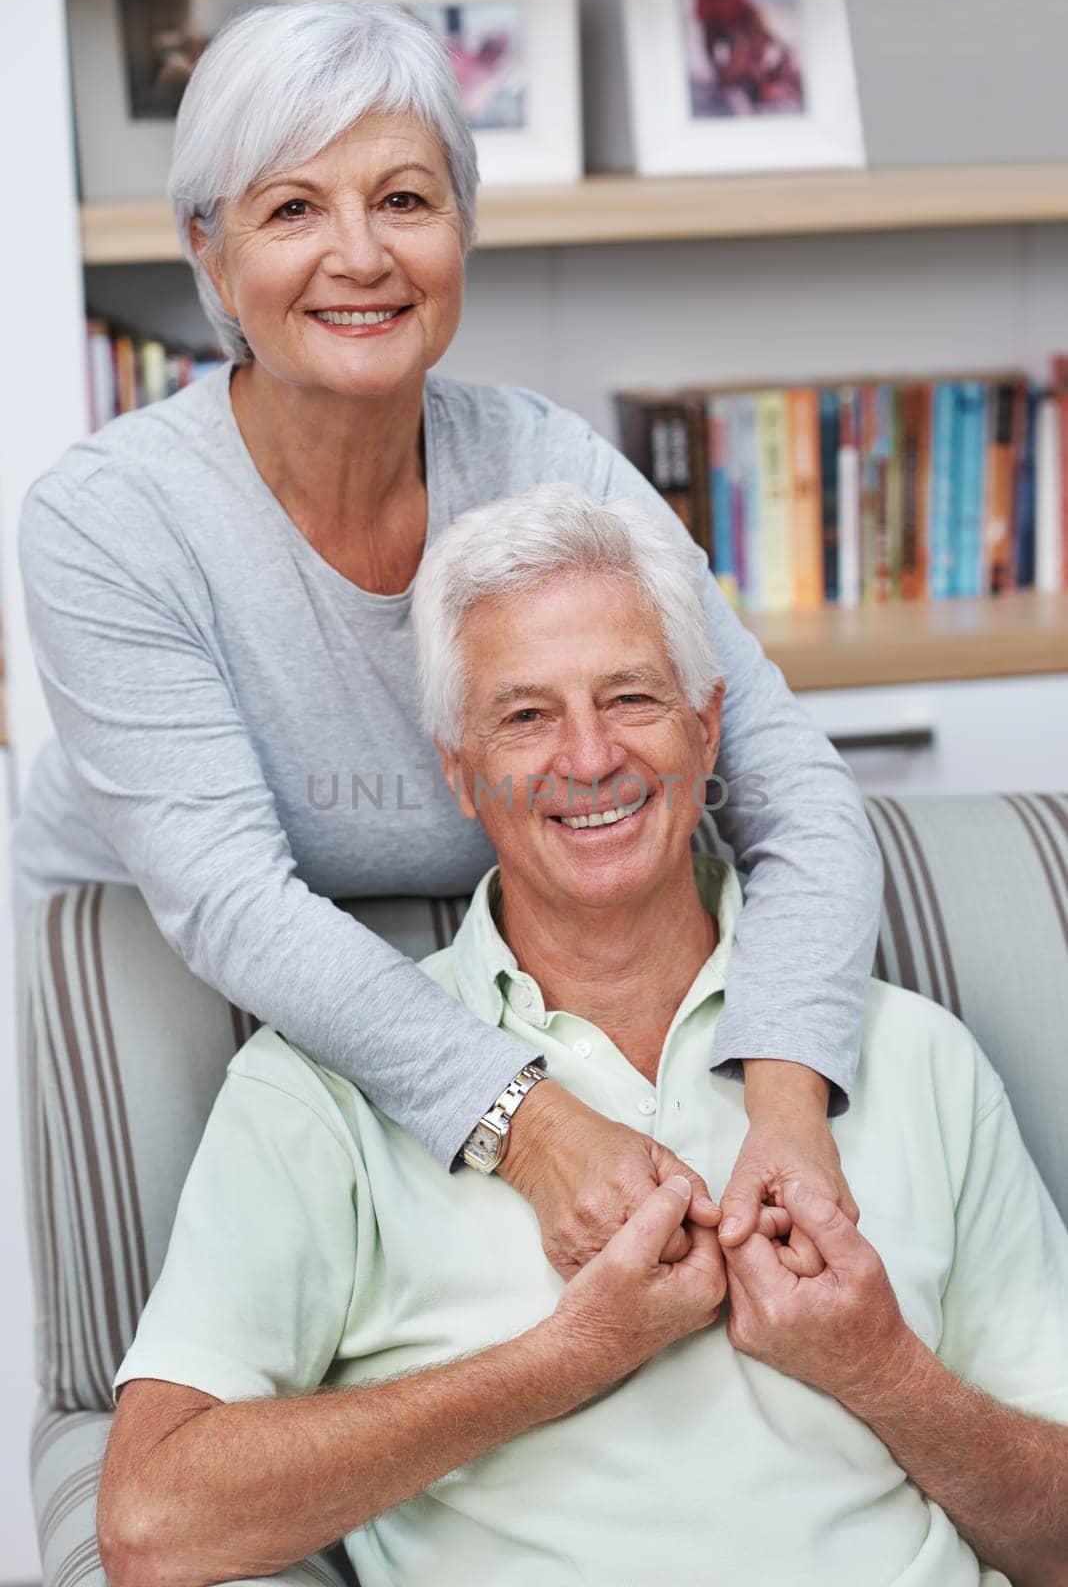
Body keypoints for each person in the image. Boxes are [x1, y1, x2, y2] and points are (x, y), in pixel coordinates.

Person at [13, 1, 881, 1273]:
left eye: (407, 201)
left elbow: (793, 785)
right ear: (209, 250)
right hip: (169, 967)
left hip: (492, 954)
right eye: (293, 208)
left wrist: (791, 1101)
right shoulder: (105, 522)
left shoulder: (552, 463)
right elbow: (235, 906)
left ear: (462, 225)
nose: (360, 256)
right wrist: (527, 1124)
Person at [97, 486, 1068, 1587]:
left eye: (631, 697)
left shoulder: (918, 1055)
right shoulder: (317, 1091)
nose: (591, 755)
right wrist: (567, 1358)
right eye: (525, 716)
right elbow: (152, 1520)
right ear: (459, 771)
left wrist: (886, 1368)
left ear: (707, 729)